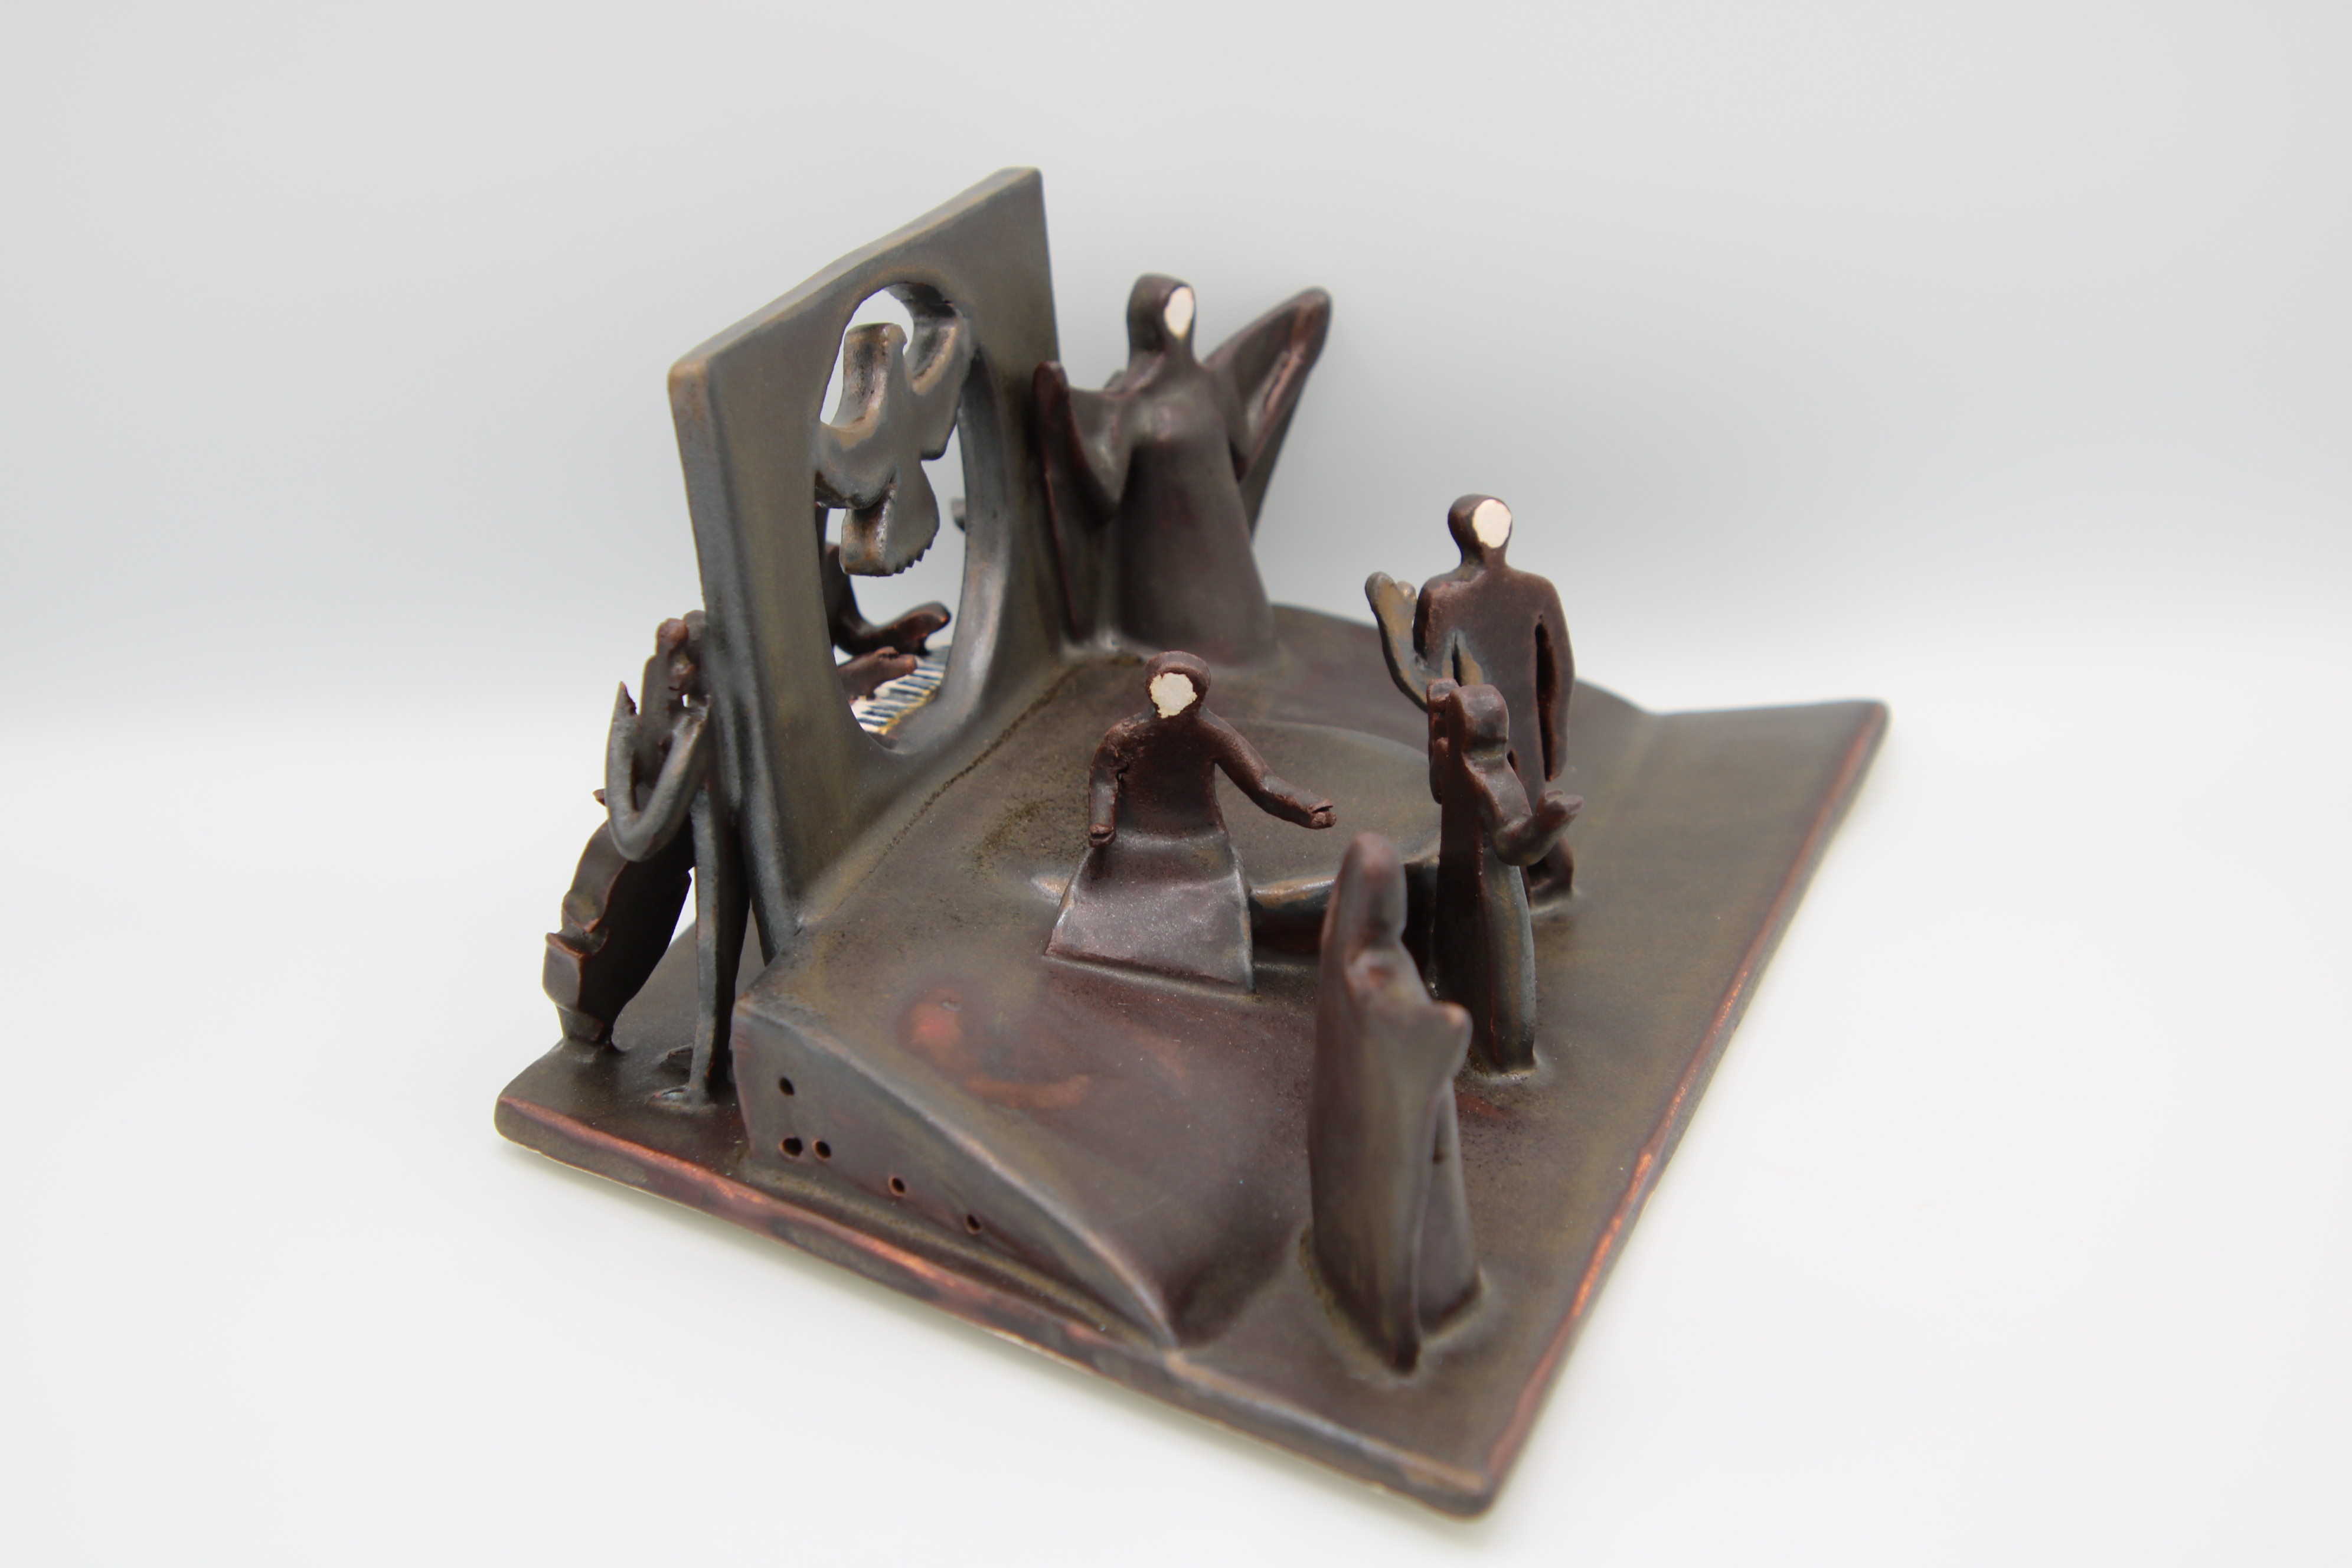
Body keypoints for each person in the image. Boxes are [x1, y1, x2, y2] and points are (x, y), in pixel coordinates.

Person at [1046, 651, 1335, 988]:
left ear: (1199, 693)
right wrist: (1102, 822)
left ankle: (1214, 964)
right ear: (1150, 688)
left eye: (1183, 688)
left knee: (1217, 888)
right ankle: (1092, 943)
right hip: (1132, 833)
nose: (1173, 695)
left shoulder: (1214, 734)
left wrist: (1306, 808)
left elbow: (1261, 782)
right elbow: (1103, 779)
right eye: (1165, 686)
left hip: (1200, 835)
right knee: (1102, 882)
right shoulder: (1127, 734)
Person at [1308, 832, 1479, 1370]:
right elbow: (1395, 1023)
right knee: (1415, 1210)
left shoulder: (1358, 962)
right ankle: (1421, 1301)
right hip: (1391, 1130)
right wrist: (1435, 1030)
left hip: (1396, 1123)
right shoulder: (1369, 972)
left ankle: (1423, 1295)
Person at [1367, 494, 1577, 893]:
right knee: (1500, 810)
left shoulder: (1518, 592)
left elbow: (1559, 670)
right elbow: (1439, 685)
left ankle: (1545, 880)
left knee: (1518, 803)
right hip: (1486, 728)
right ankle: (1532, 883)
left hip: (1510, 727)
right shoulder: (1451, 596)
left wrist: (1557, 735)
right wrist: (1396, 636)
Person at [1426, 680, 1580, 1072]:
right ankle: (1468, 1028)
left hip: (1489, 890)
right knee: (1460, 959)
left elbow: (1514, 847)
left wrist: (1546, 825)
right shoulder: (1452, 758)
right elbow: (1440, 790)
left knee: (1499, 977)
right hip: (1460, 880)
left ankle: (1505, 1054)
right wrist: (1436, 722)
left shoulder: (1494, 779)